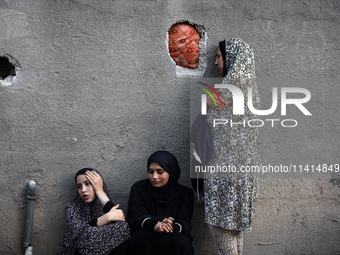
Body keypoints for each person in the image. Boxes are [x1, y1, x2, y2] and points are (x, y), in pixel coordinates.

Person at [204, 38, 260, 255]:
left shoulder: (231, 88)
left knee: (220, 226)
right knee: (233, 229)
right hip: (243, 174)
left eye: (219, 56)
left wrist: (204, 99)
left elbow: (210, 123)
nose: (216, 62)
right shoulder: (250, 86)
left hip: (226, 174)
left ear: (233, 58)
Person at [127, 150, 194, 255]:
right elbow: (136, 217)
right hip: (147, 232)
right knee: (138, 238)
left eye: (160, 172)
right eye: (150, 171)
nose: (154, 177)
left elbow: (184, 222)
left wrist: (168, 226)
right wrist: (155, 224)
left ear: (171, 172)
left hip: (174, 234)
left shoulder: (185, 193)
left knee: (182, 242)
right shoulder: (139, 188)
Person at [60, 168, 130, 255]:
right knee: (86, 239)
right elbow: (80, 238)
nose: (83, 190)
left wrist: (100, 191)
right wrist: (106, 218)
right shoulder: (72, 207)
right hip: (78, 252)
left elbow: (121, 222)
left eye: (88, 184)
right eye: (79, 186)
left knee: (122, 228)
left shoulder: (102, 204)